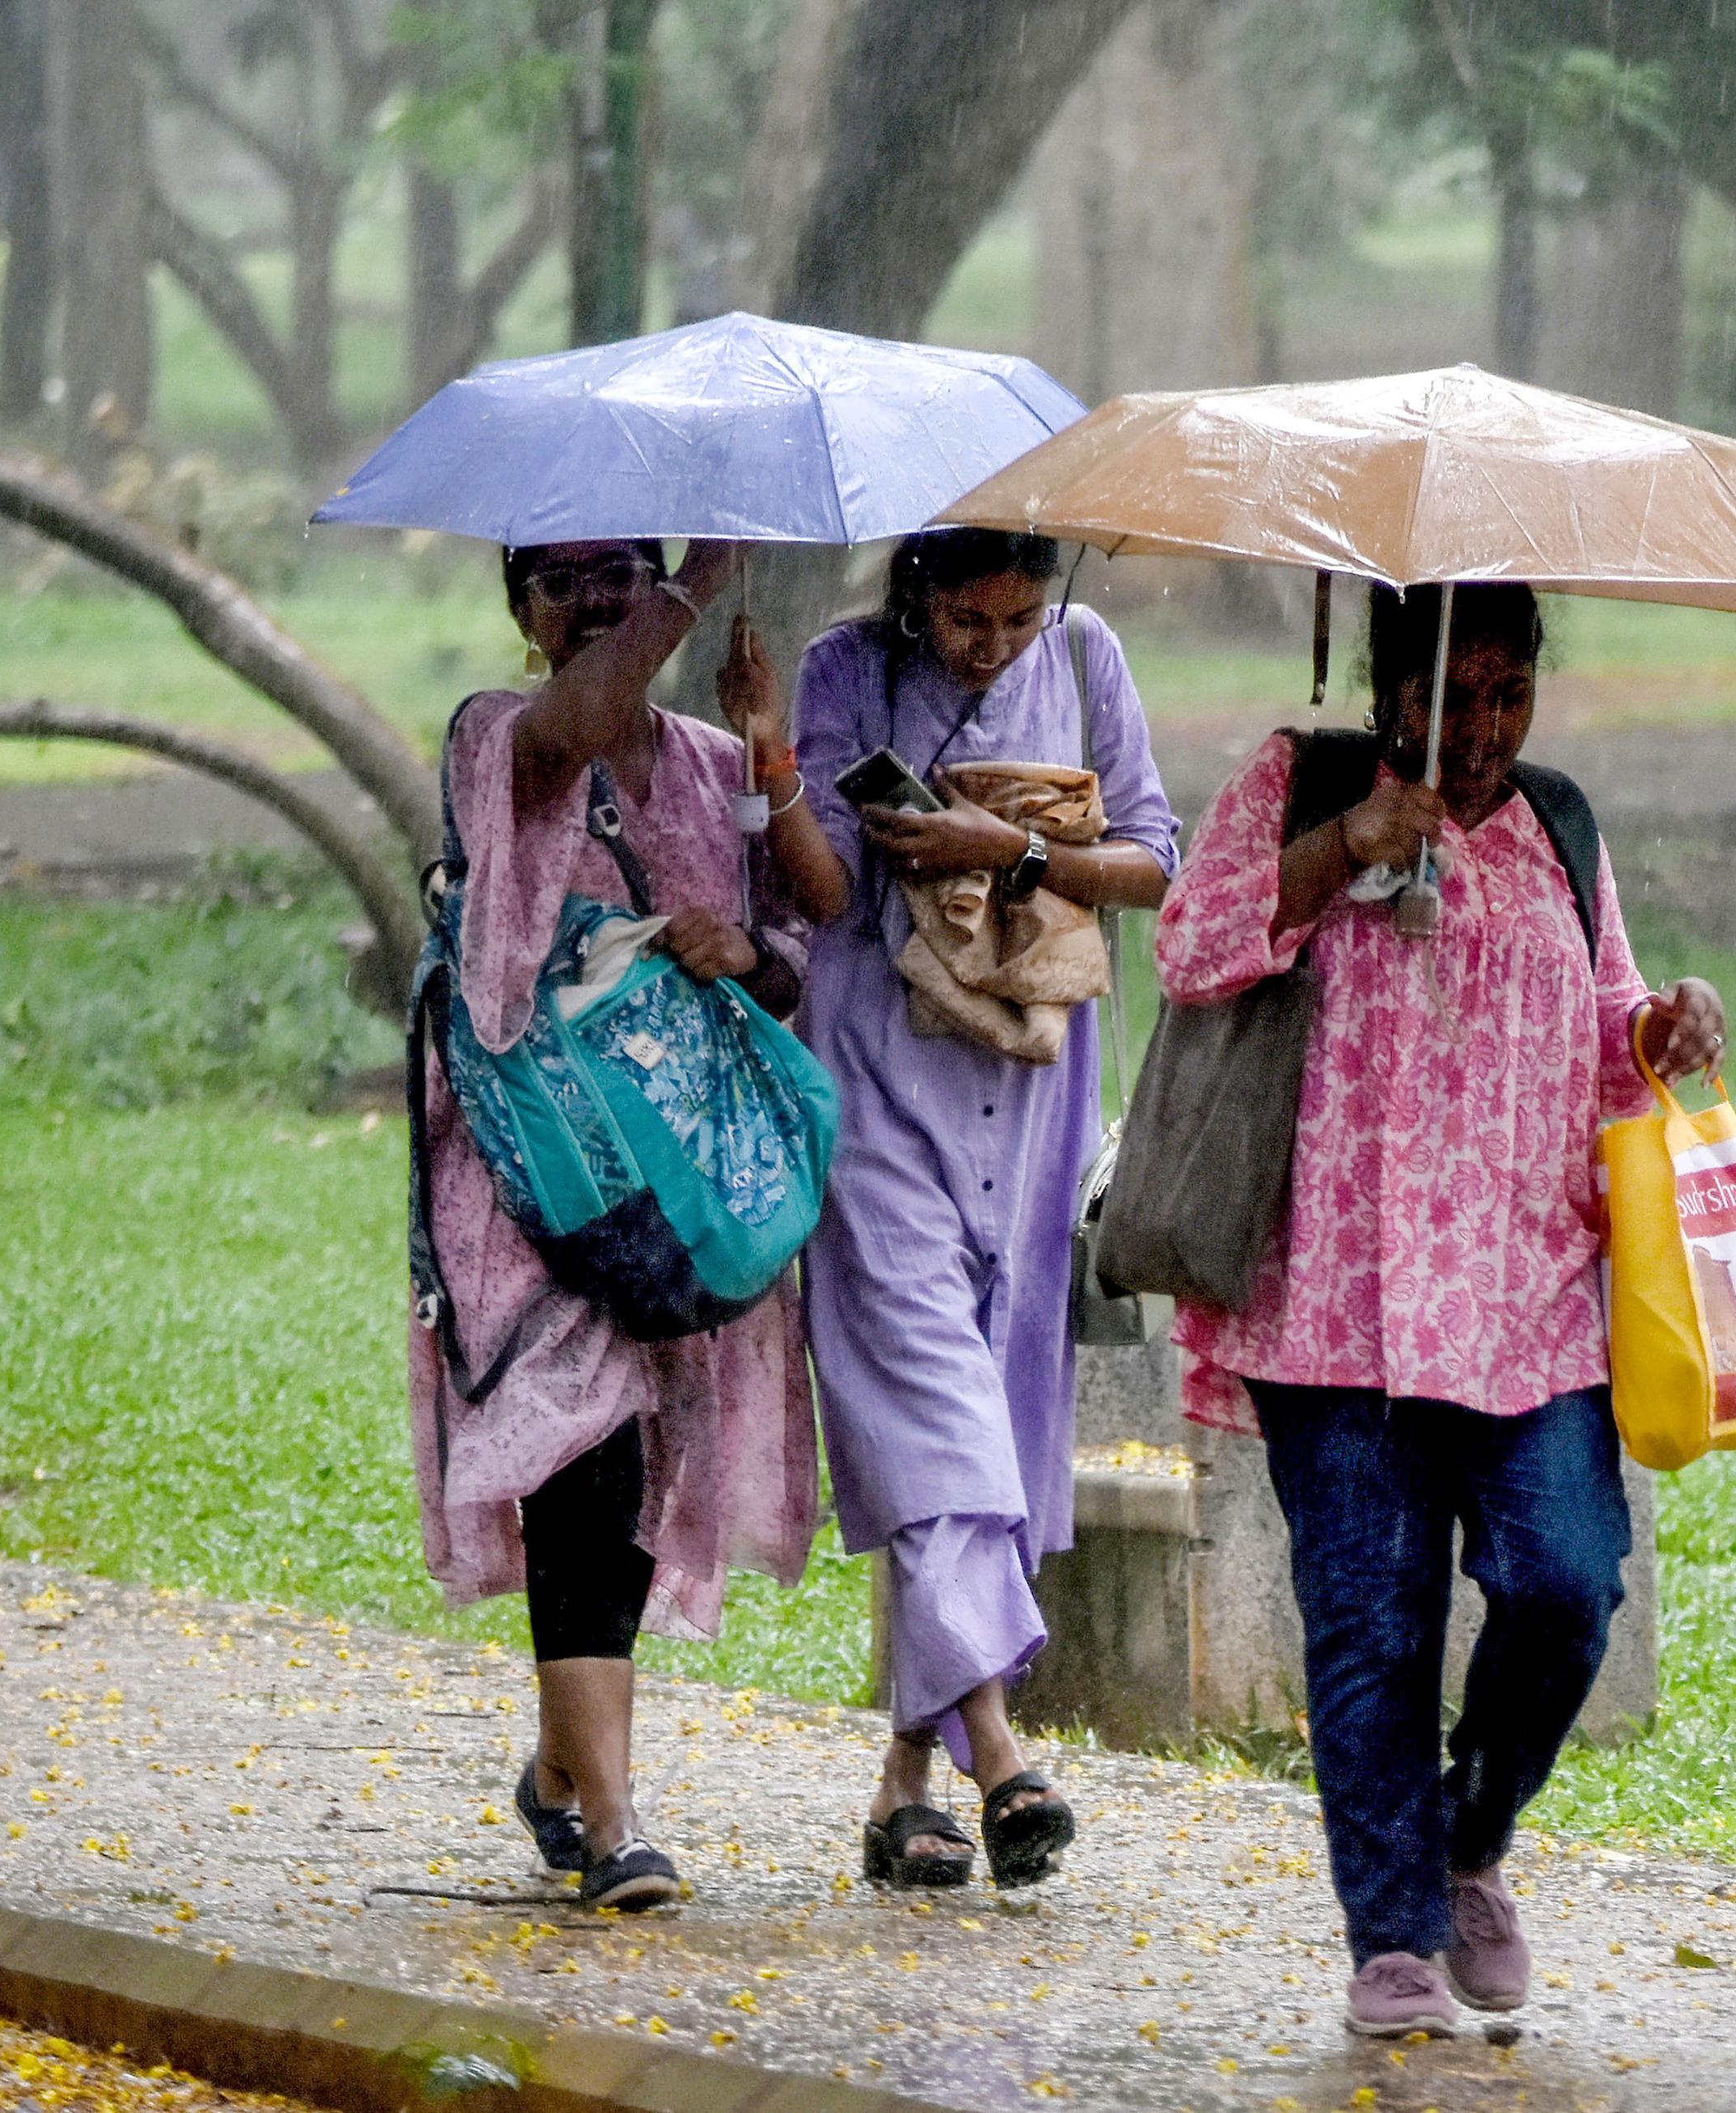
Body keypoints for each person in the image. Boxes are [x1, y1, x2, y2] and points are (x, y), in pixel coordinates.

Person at [1154, 581, 1726, 2041]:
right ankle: (1394, 1935)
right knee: (1369, 1624)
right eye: (1447, 697)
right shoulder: (1304, 784)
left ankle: (1472, 1832)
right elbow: (1193, 945)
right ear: (1386, 687)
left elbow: (1607, 1035)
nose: (1477, 732)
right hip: (1332, 1302)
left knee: (1567, 1582)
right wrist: (1346, 845)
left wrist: (1663, 1032)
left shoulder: (1561, 826)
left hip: (1526, 1303)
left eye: (1505, 694)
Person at [725, 527, 1177, 1891]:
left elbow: (1156, 860)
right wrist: (779, 766)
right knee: (930, 1409)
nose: (991, 646)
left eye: (1018, 619)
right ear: (915, 590)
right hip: (877, 1081)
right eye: (966, 620)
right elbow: (821, 892)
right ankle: (998, 1752)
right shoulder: (843, 669)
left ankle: (904, 1787)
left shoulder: (1091, 664)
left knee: (990, 1416)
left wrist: (1016, 853)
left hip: (1032, 1093)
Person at [411, 536, 821, 1912]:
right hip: (521, 1187)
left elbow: (799, 957)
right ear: (518, 610)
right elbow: (583, 718)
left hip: (669, 1194)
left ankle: (560, 1769)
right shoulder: (495, 733)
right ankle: (619, 1826)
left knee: (632, 1478)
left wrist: (743, 949)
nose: (594, 599)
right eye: (562, 580)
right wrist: (690, 583)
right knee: (572, 1464)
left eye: (619, 570)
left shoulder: (711, 762)